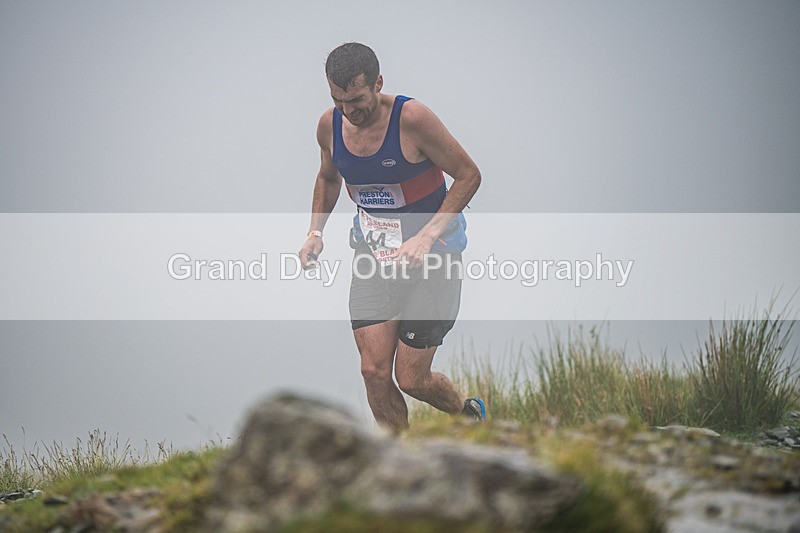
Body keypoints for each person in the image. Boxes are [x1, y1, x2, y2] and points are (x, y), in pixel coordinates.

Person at [298, 42, 483, 432]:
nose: (349, 110)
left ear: (378, 83)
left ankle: (469, 416)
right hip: (374, 257)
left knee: (413, 379)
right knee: (373, 371)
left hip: (434, 258)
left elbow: (469, 175)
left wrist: (427, 236)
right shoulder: (328, 126)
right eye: (338, 99)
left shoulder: (411, 119)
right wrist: (315, 231)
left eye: (357, 99)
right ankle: (396, 463)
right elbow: (329, 178)